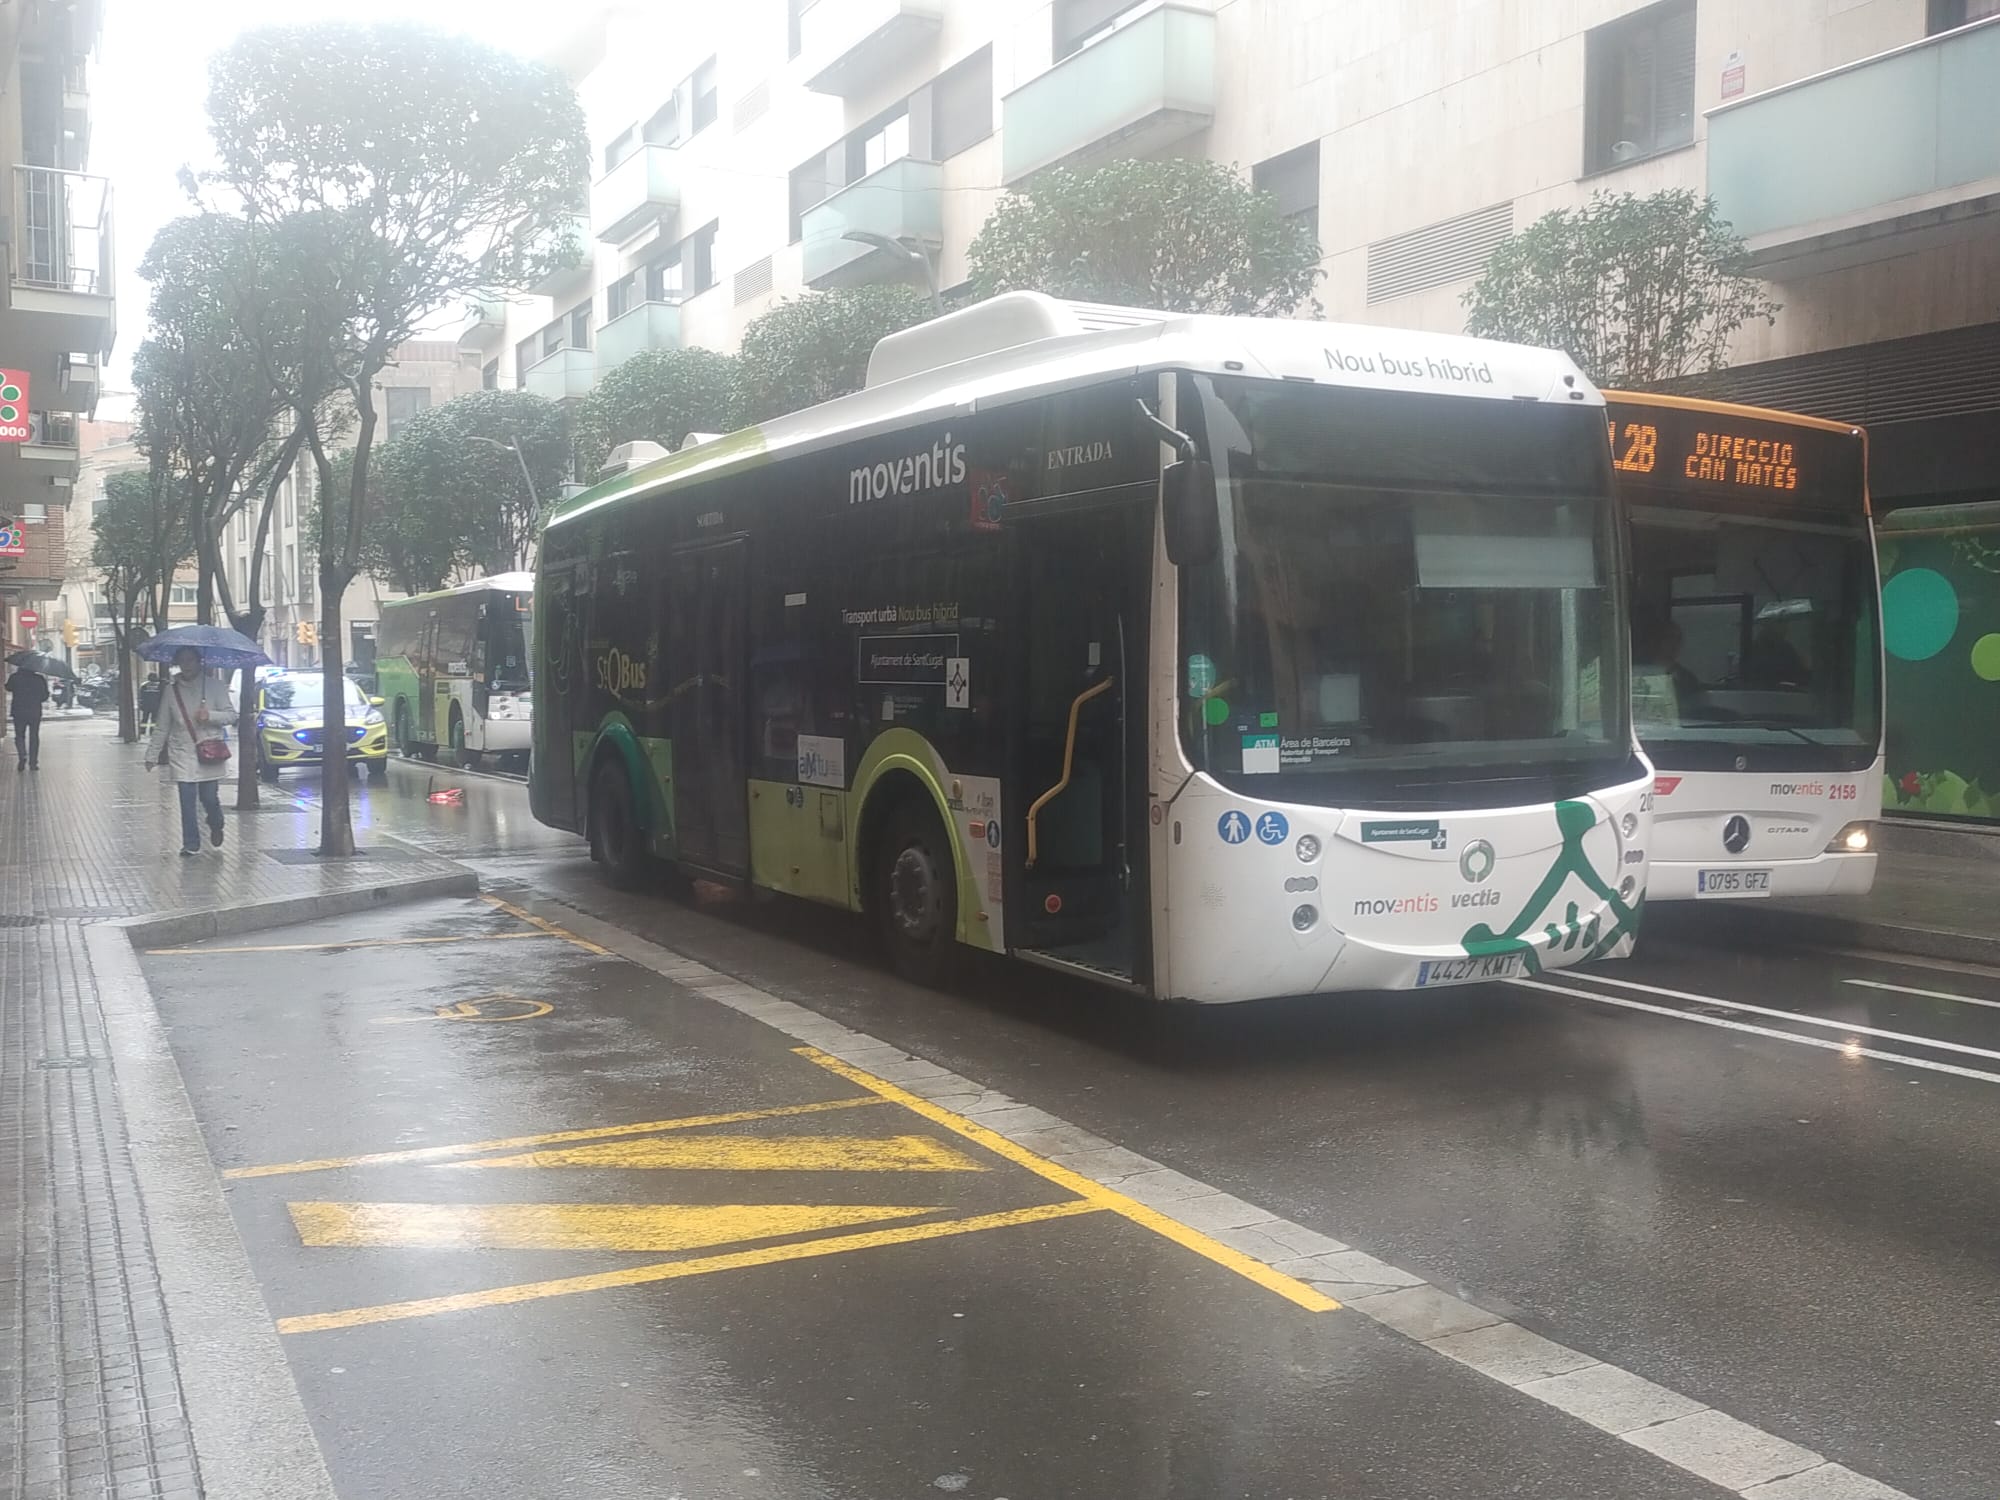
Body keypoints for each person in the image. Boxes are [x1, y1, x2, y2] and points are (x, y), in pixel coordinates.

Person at [144, 647, 235, 856]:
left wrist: (209, 715)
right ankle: (191, 843)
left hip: (209, 750)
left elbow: (231, 716)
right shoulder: (171, 690)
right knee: (186, 798)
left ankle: (216, 821)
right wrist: (152, 754)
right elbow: (162, 725)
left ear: (199, 662)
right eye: (183, 660)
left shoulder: (215, 687)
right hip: (182, 752)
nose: (187, 665)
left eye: (191, 660)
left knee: (209, 797)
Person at [6, 663, 48, 770]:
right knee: (34, 736)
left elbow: (8, 688)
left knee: (19, 735)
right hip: (34, 711)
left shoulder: (15, 677)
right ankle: (33, 763)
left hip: (18, 711)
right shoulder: (39, 678)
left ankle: (22, 755)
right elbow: (45, 696)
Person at [138, 669, 164, 735]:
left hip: (146, 706)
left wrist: (141, 704)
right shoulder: (159, 685)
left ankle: (142, 731)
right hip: (155, 706)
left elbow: (141, 696)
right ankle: (152, 731)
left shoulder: (144, 685)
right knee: (154, 719)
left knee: (144, 719)